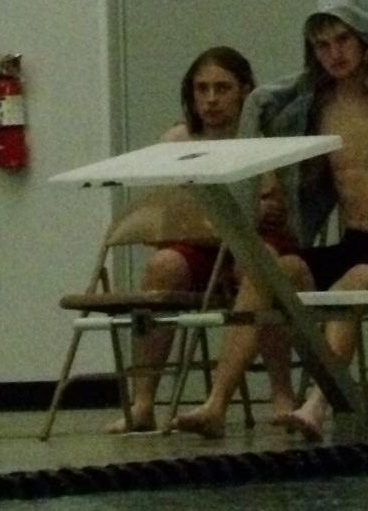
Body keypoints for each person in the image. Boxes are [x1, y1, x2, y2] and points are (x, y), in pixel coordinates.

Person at [172, 0, 368, 440]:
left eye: (343, 41)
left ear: (366, 38)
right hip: (353, 241)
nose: (334, 55)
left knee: (352, 285)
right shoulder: (318, 103)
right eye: (322, 46)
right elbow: (292, 161)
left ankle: (316, 403)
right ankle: (216, 402)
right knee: (265, 268)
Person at [110, 46, 295, 432]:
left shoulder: (262, 138)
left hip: (253, 243)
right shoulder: (177, 141)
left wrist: (229, 219)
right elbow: (162, 210)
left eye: (222, 89)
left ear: (245, 91)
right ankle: (142, 402)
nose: (211, 100)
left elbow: (274, 208)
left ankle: (281, 392)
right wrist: (213, 221)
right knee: (162, 266)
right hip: (199, 245)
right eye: (202, 89)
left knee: (257, 265)